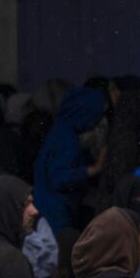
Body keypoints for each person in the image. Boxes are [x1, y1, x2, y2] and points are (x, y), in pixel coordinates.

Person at [33, 87, 105, 232]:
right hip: (54, 215)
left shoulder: (62, 132)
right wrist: (93, 169)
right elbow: (58, 177)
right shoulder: (67, 139)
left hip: (50, 211)